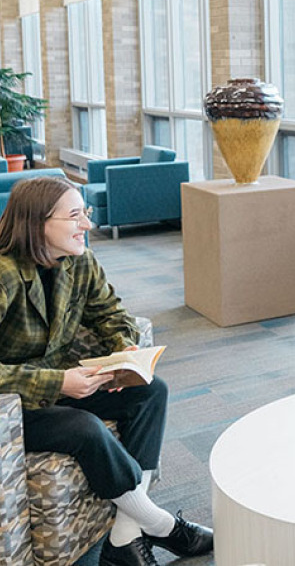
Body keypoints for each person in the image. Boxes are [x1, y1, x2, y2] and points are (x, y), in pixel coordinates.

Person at [0, 177, 213, 566]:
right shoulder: (4, 273)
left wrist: (123, 349)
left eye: (86, 212)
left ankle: (125, 535)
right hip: (10, 407)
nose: (88, 224)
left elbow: (111, 313)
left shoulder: (79, 260)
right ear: (37, 223)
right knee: (84, 428)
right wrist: (58, 381)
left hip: (59, 386)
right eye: (75, 216)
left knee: (151, 391)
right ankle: (162, 525)